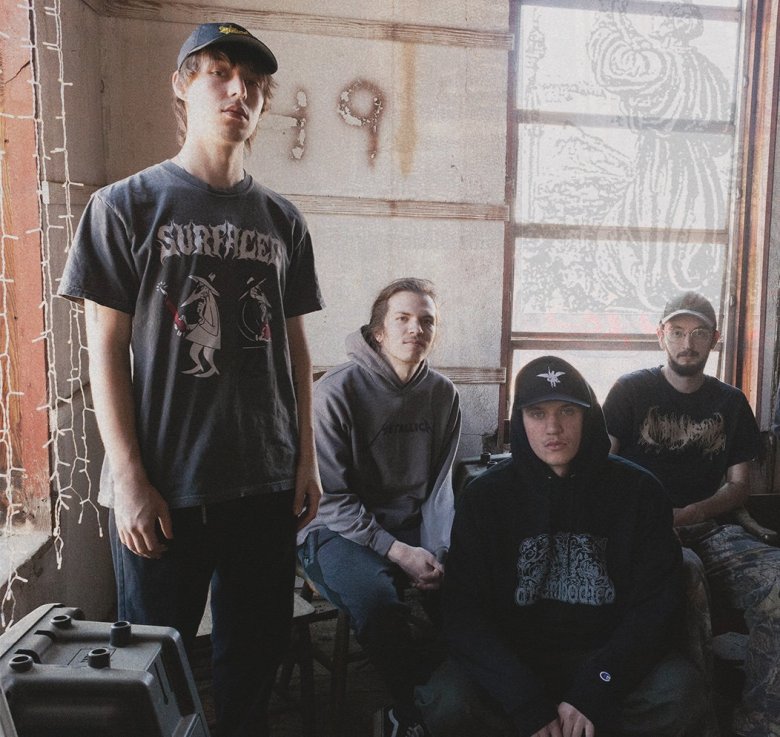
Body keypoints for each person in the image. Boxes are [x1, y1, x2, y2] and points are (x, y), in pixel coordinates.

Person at [58, 22, 323, 737]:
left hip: (264, 485)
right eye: (218, 72)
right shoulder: (124, 207)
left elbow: (296, 351)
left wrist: (305, 459)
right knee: (152, 675)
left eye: (254, 82)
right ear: (182, 85)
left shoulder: (283, 220)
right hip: (167, 488)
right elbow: (104, 352)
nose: (239, 91)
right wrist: (129, 479)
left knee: (251, 672)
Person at [418, 355, 704, 737]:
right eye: (537, 413)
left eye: (567, 411)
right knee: (447, 703)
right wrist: (523, 699)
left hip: (603, 656)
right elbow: (463, 612)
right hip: (514, 659)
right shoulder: (485, 496)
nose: (553, 427)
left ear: (589, 415)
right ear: (519, 420)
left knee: (679, 693)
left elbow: (656, 606)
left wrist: (597, 687)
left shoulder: (640, 491)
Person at [603, 291, 780, 737]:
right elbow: (601, 469)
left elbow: (739, 486)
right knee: (686, 578)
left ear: (715, 339)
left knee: (778, 583)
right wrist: (646, 520)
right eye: (678, 332)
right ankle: (697, 719)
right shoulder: (631, 391)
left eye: (699, 333)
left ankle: (760, 720)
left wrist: (692, 512)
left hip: (712, 528)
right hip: (643, 531)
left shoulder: (731, 402)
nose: (688, 343)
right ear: (660, 335)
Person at [297, 277, 461, 737]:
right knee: (379, 603)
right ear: (378, 332)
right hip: (333, 529)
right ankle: (410, 713)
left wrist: (439, 551)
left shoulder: (443, 394)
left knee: (467, 589)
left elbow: (440, 489)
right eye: (403, 318)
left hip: (409, 524)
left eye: (427, 321)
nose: (416, 329)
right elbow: (331, 498)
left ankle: (461, 696)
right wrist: (399, 552)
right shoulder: (335, 392)